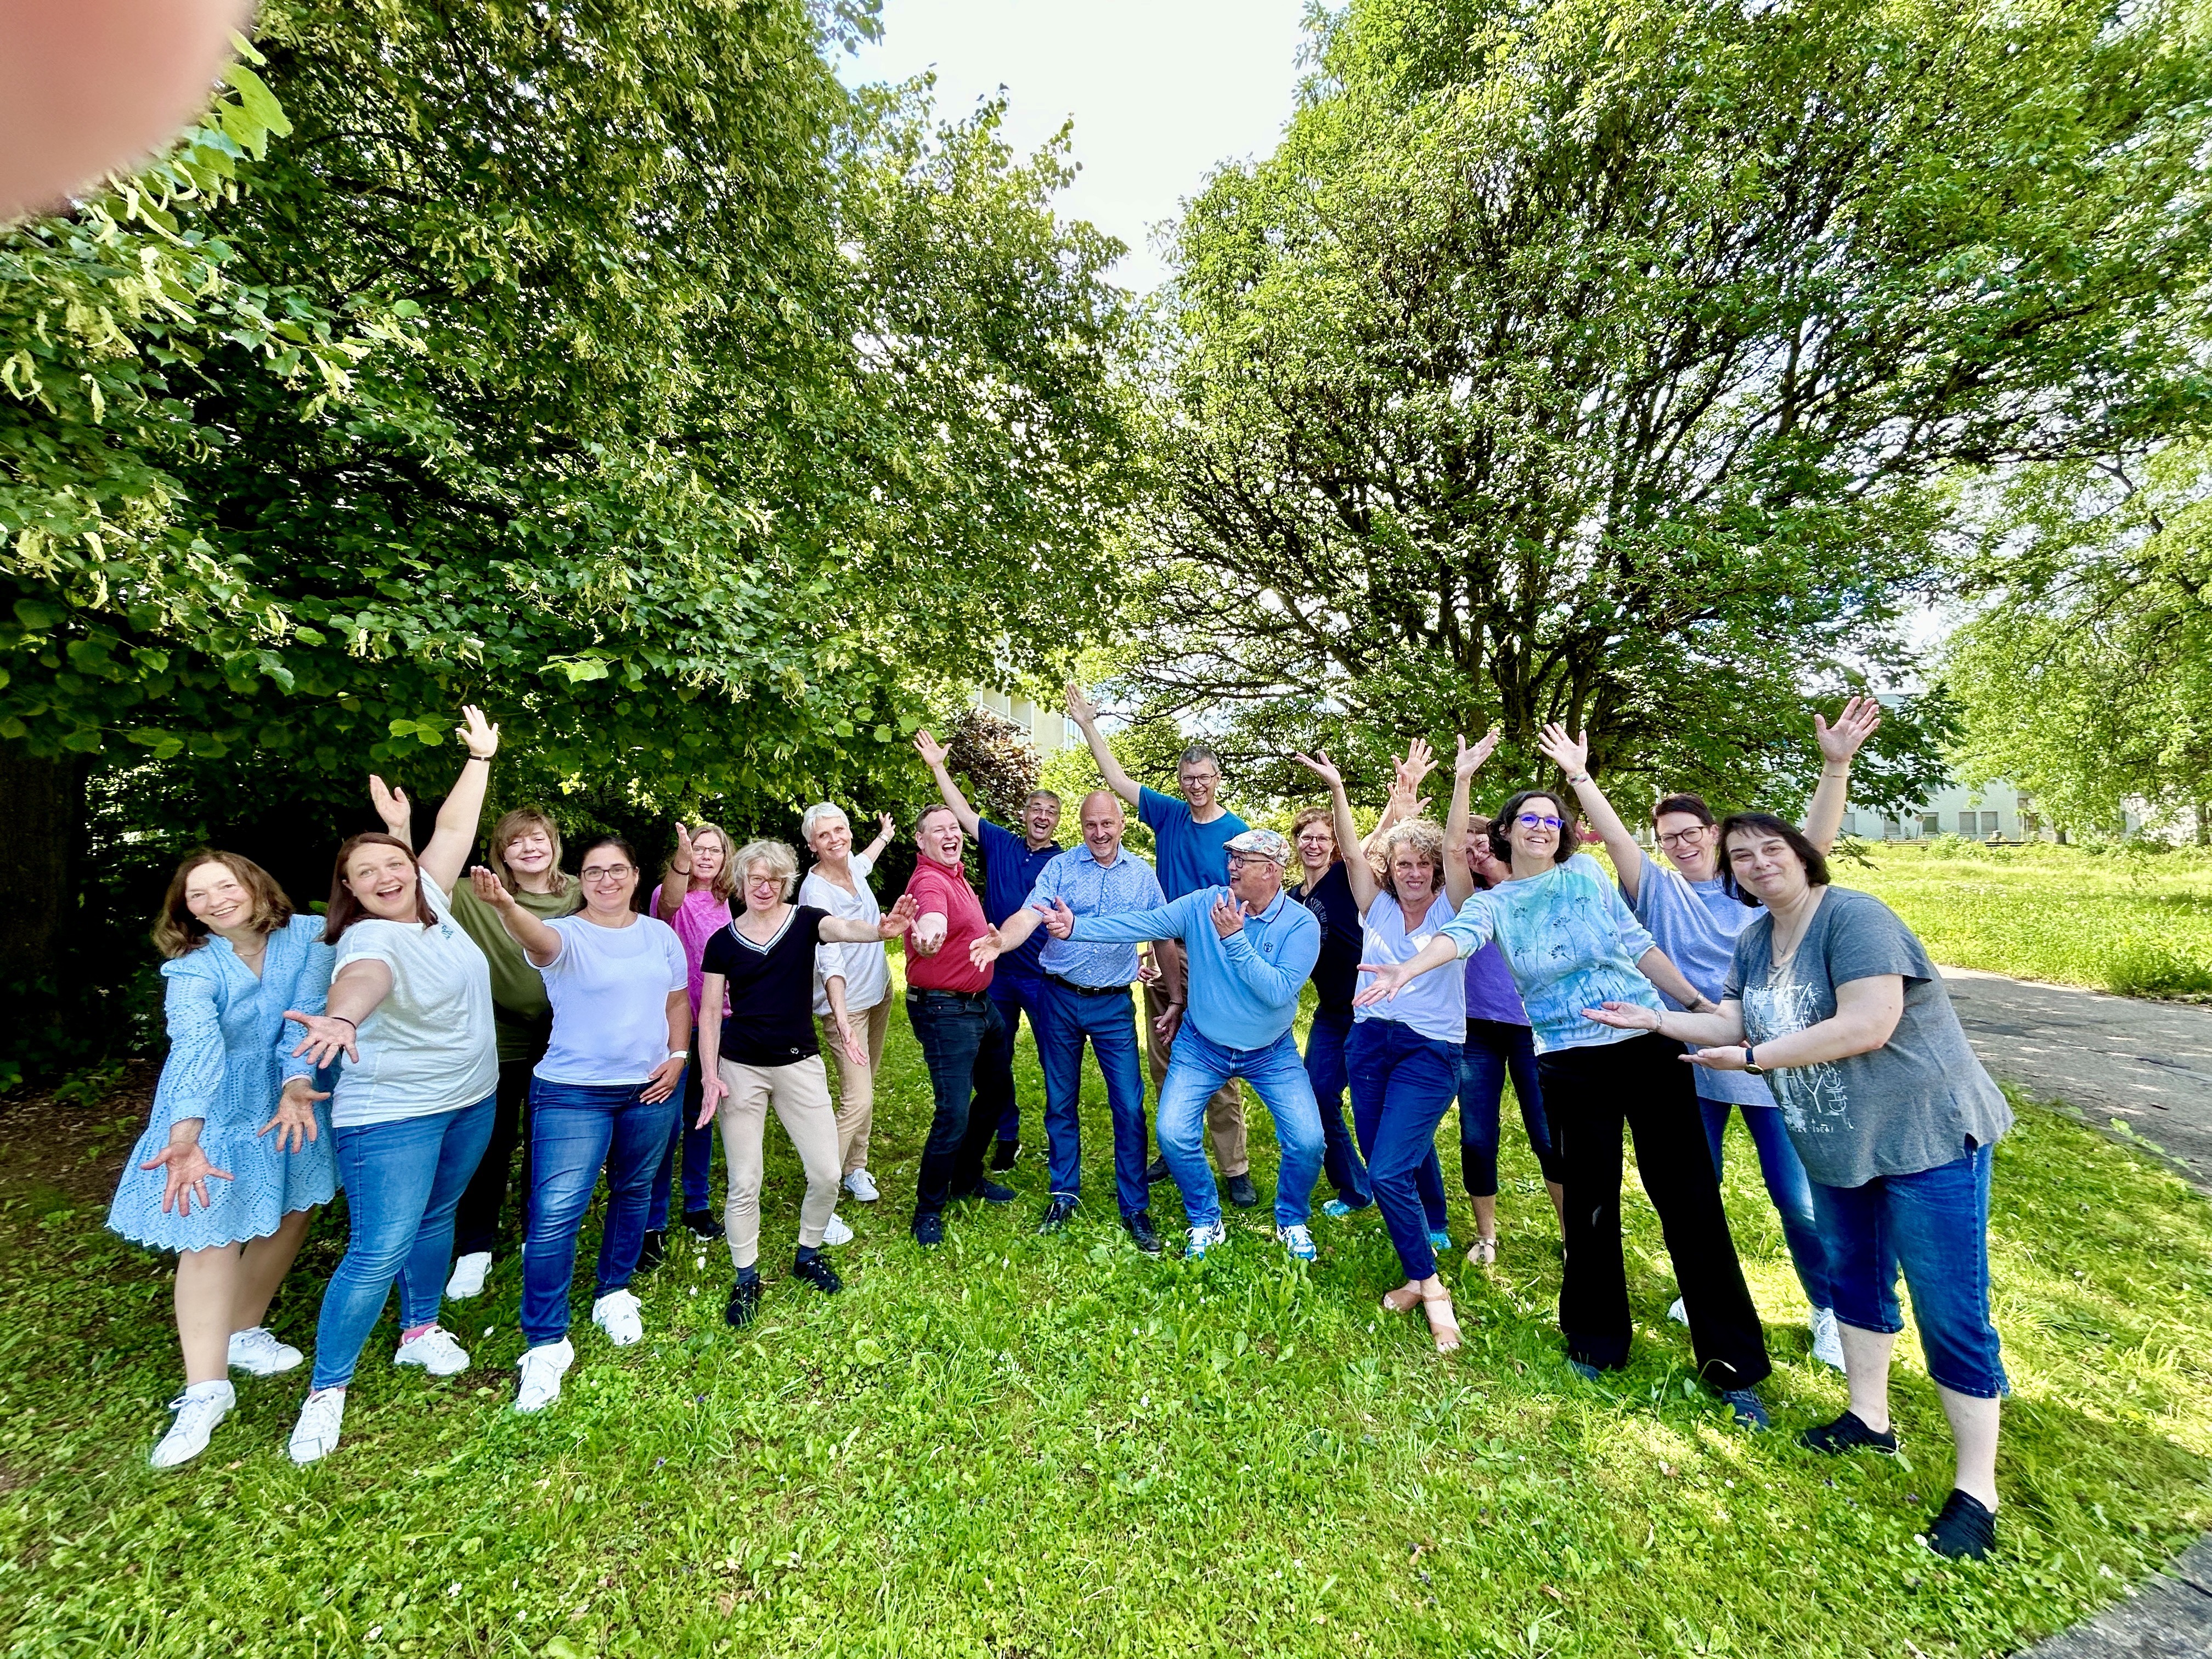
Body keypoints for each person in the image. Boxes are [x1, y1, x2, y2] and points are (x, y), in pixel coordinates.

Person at [1584, 812, 2014, 1560]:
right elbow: (1729, 1020)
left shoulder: (1855, 918)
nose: (1755, 864)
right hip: (1842, 1143)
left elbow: (1868, 1025)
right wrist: (1653, 1018)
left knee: (1951, 1309)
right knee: (1855, 1285)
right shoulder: (1756, 941)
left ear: (1803, 855)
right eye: (1742, 856)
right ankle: (1868, 1419)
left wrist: (1756, 1057)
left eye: (1769, 850)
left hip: (1927, 1137)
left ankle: (1978, 1490)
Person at [1357, 785, 1775, 1425]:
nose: (1543, 827)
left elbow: (1638, 945)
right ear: (1507, 831)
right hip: (1573, 1062)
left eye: (1554, 820)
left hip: (1650, 1042)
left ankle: (1733, 1365)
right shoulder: (1497, 902)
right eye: (1530, 818)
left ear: (1566, 833)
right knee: (1591, 1202)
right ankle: (1598, 1340)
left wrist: (1695, 1006)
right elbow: (1457, 938)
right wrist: (1403, 973)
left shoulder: (1587, 872)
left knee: (1690, 1199)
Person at [1541, 696, 1881, 1369]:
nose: (1681, 844)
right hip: (1690, 1060)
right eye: (1668, 837)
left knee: (1799, 1199)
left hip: (1773, 1058)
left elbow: (1810, 844)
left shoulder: (1753, 886)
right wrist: (1580, 777)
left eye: (1691, 832)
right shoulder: (1654, 892)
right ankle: (1700, 1299)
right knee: (1696, 1191)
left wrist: (1834, 769)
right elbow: (1611, 837)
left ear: (1714, 833)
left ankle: (1830, 1312)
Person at [281, 708, 504, 1464]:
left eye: (391, 864)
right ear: (348, 890)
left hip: (469, 1096)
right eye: (364, 874)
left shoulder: (434, 904)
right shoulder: (367, 938)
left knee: (437, 1214)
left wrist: (479, 760)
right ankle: (326, 1390)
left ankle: (418, 1330)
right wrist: (342, 1020)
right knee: (378, 1246)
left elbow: (453, 838)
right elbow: (364, 980)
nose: (384, 877)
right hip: (392, 1115)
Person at [108, 851, 336, 1468]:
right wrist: (187, 1133)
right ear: (187, 910)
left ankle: (243, 1330)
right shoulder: (191, 968)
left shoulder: (312, 936)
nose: (213, 901)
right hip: (210, 1106)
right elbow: (195, 1046)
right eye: (198, 895)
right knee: (206, 1235)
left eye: (224, 886)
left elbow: (305, 1019)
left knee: (292, 1211)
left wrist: (295, 1084)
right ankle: (205, 1390)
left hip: (292, 1097)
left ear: (255, 885)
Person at [466, 839, 689, 1413]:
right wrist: (504, 908)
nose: (607, 879)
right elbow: (536, 940)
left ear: (636, 876)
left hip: (650, 1088)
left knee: (634, 1192)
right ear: (581, 880)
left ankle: (613, 1292)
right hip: (572, 1094)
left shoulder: (660, 936)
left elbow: (676, 1002)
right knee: (556, 1214)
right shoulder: (567, 933)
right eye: (595, 871)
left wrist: (679, 1055)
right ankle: (545, 1341)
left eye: (618, 869)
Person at [1295, 731, 1497, 1351]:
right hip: (1368, 1043)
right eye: (1403, 863)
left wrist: (1462, 782)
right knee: (1392, 1164)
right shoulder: (1373, 904)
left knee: (1385, 1169)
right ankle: (1419, 1271)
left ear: (1437, 870)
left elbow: (1462, 850)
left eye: (1423, 865)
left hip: (1430, 1051)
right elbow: (1353, 854)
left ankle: (1432, 1288)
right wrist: (1337, 790)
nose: (1412, 873)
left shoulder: (1455, 909)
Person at [1043, 828, 1324, 1262]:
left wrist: (1234, 939)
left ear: (1271, 871)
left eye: (1241, 860)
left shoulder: (1301, 924)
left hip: (1271, 1052)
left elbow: (1278, 991)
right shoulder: (1204, 904)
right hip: (1203, 1044)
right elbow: (1145, 922)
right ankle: (1205, 1217)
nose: (1230, 866)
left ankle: (1291, 1218)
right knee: (1173, 1134)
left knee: (1308, 1140)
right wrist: (1078, 927)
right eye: (1230, 857)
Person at [366, 789, 583, 1304]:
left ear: (554, 845)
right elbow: (414, 888)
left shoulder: (580, 891)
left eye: (539, 838)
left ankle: (539, 1235)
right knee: (489, 1143)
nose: (530, 848)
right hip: (495, 1033)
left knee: (548, 1139)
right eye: (516, 842)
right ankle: (475, 1248)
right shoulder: (473, 892)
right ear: (500, 853)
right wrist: (400, 831)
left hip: (565, 1034)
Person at [696, 842, 915, 1324]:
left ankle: (808, 1253)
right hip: (741, 1069)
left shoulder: (804, 921)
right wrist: (710, 1074)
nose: (764, 887)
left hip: (799, 1063)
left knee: (826, 1174)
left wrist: (880, 931)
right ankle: (746, 1275)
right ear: (740, 882)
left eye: (774, 879)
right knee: (744, 1181)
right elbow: (710, 1012)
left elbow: (841, 928)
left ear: (785, 883)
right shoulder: (724, 943)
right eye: (755, 878)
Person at [1066, 685, 1256, 1207]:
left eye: (1204, 778)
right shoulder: (1169, 815)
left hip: (1214, 954)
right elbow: (1116, 780)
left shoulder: (1237, 835)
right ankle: (1177, 1151)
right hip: (1166, 951)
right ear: (1181, 782)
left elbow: (1252, 900)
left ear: (1217, 780)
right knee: (1166, 1056)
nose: (1196, 786)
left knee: (1215, 1056)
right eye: (1188, 779)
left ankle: (1234, 1165)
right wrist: (1087, 725)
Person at [968, 790, 1169, 1250]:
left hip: (1114, 1006)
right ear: (1080, 827)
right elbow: (1026, 914)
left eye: (1107, 824)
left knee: (1129, 1106)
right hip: (1058, 998)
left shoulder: (1141, 875)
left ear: (1122, 824)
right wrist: (1002, 942)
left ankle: (1135, 1207)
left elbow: (1162, 927)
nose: (1099, 833)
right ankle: (1064, 1192)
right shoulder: (1058, 868)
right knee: (1061, 1102)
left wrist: (1170, 990)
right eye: (1090, 825)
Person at [912, 729, 1062, 1171]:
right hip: (994, 974)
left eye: (1050, 811)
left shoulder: (1066, 861)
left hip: (1042, 976)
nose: (1042, 815)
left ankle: (1060, 1138)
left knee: (1056, 1058)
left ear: (1056, 821)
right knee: (995, 1063)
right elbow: (958, 812)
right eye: (1036, 807)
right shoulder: (1000, 842)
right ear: (1025, 813)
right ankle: (1006, 1135)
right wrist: (939, 766)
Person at [901, 805, 1020, 1246]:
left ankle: (967, 1177)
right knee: (953, 1111)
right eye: (939, 830)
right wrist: (927, 934)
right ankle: (929, 1208)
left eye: (954, 828)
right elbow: (931, 917)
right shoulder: (930, 880)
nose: (950, 835)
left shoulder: (956, 875)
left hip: (980, 1006)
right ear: (921, 841)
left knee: (996, 1093)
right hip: (945, 1011)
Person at [1453, 812, 1566, 1261]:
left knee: (1547, 1135)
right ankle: (1486, 1235)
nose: (1476, 853)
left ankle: (1570, 1232)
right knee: (1477, 1134)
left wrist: (1497, 868)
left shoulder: (1537, 886)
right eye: (1468, 848)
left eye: (1483, 843)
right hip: (1476, 1030)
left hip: (1532, 1029)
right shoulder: (1467, 899)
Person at [797, 804, 899, 1229]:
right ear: (811, 845)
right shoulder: (815, 891)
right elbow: (829, 961)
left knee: (867, 1087)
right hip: (847, 1006)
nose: (835, 839)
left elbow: (864, 862)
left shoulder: (852, 868)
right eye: (824, 835)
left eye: (840, 830)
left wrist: (885, 837)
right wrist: (839, 1019)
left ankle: (856, 1167)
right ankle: (823, 1197)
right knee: (857, 1098)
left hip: (879, 992)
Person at [645, 821, 738, 1249]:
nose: (705, 856)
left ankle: (697, 1205)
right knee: (666, 1124)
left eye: (713, 850)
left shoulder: (724, 902)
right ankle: (654, 1218)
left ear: (725, 858)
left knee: (704, 1115)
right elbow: (669, 903)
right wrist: (680, 862)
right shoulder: (670, 896)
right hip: (675, 1024)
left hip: (717, 1021)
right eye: (697, 849)